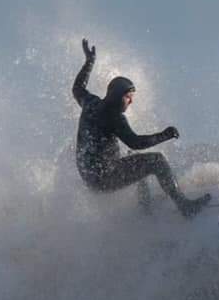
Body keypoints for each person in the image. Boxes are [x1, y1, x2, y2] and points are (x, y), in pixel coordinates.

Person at [72, 38, 211, 217]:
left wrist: (89, 63)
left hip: (90, 177)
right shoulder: (115, 117)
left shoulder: (90, 103)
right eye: (128, 96)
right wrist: (165, 134)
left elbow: (77, 87)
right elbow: (135, 142)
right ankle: (184, 206)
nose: (131, 101)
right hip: (104, 178)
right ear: (117, 96)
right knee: (156, 161)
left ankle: (144, 208)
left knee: (134, 159)